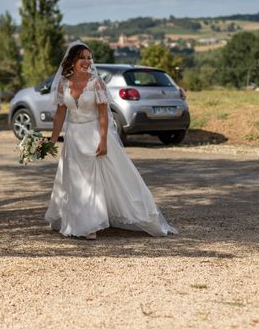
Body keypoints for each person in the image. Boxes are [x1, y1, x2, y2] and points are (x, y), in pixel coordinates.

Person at [45, 41, 177, 239]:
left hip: (94, 134)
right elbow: (59, 115)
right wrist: (52, 140)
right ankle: (77, 222)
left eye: (90, 58)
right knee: (75, 181)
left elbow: (104, 115)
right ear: (71, 60)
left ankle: (90, 226)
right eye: (83, 57)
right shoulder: (64, 84)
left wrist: (104, 141)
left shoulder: (96, 83)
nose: (87, 61)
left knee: (95, 180)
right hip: (73, 139)